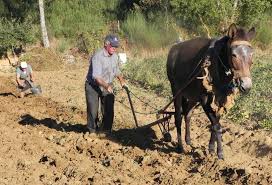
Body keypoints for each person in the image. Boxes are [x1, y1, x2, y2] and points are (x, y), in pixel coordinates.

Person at [85, 34, 127, 134]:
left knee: (109, 109)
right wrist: (107, 86)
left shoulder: (115, 57)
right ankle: (92, 130)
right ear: (106, 44)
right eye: (112, 46)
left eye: (116, 46)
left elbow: (116, 70)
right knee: (93, 110)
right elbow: (96, 77)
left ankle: (106, 130)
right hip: (93, 86)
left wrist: (122, 80)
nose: (114, 48)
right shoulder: (98, 56)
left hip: (107, 84)